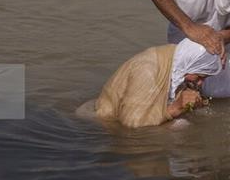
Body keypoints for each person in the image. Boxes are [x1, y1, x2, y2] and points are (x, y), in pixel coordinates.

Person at [88, 38, 222, 128]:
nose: (200, 84)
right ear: (189, 65)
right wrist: (175, 109)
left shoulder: (177, 60)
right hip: (103, 126)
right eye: (199, 77)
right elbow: (133, 127)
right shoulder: (147, 71)